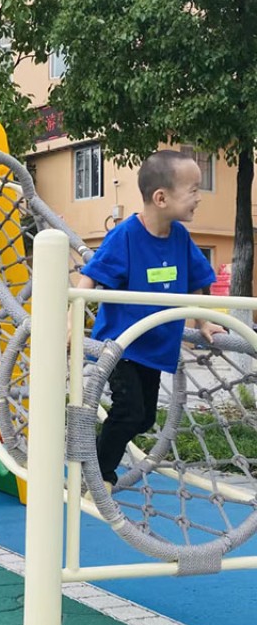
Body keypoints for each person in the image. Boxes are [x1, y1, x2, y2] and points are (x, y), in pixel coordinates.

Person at [75, 150, 226, 488]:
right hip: (120, 346)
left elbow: (198, 282)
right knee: (128, 411)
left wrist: (203, 322)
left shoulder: (180, 238)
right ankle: (98, 474)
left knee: (142, 419)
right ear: (161, 197)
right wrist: (69, 319)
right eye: (193, 190)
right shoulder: (126, 236)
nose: (199, 198)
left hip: (155, 350)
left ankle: (97, 463)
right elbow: (90, 277)